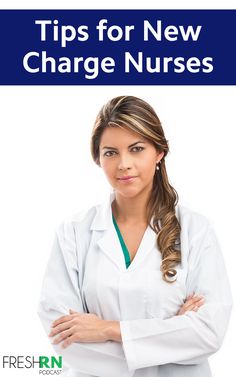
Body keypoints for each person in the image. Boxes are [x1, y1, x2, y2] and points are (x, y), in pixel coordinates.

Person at [38, 95, 232, 377]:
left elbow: (208, 333)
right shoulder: (74, 232)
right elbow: (64, 338)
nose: (123, 164)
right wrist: (171, 337)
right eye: (110, 152)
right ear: (97, 159)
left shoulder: (197, 230)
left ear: (159, 153)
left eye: (136, 148)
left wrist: (108, 330)